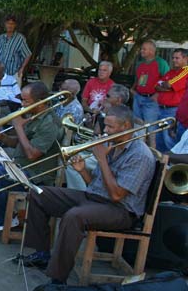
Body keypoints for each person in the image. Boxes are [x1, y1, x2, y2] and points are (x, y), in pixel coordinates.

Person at [23, 105, 155, 289]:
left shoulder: (140, 155)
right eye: (105, 126)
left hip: (121, 211)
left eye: (110, 127)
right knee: (39, 194)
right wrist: (83, 170)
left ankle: (57, 279)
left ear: (125, 126)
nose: (105, 131)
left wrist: (101, 159)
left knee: (74, 216)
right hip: (95, 198)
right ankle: (42, 254)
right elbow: (97, 185)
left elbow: (117, 195)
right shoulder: (113, 145)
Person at [0, 81, 61, 231]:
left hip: (35, 174)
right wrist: (5, 139)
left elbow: (32, 154)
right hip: (19, 164)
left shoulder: (50, 123)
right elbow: (20, 144)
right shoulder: (33, 115)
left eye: (26, 100)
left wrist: (19, 127)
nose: (22, 103)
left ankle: (4, 218)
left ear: (40, 103)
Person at [131, 40, 169, 147]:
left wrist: (157, 95)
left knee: (152, 128)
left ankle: (153, 154)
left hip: (151, 99)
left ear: (152, 51)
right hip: (138, 97)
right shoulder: (140, 64)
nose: (141, 51)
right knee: (138, 126)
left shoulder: (160, 63)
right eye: (141, 48)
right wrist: (133, 89)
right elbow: (138, 79)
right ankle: (139, 149)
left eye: (144, 49)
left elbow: (167, 80)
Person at [155, 48, 188, 152]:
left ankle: (170, 163)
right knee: (159, 138)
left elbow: (169, 84)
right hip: (161, 109)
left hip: (171, 111)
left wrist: (166, 85)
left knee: (169, 140)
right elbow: (156, 85)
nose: (174, 60)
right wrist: (166, 87)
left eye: (177, 58)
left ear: (185, 58)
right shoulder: (171, 71)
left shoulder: (185, 71)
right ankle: (161, 162)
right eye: (173, 58)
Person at [0, 15, 32, 85]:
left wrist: (22, 68)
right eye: (8, 23)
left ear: (15, 25)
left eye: (12, 24)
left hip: (13, 73)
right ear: (5, 24)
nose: (10, 25)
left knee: (14, 95)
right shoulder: (1, 37)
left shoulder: (20, 38)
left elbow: (28, 54)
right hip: (0, 73)